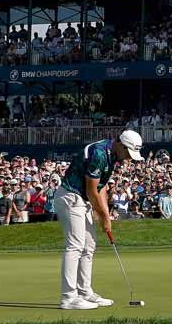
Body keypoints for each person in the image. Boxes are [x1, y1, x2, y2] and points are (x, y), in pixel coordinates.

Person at [56, 128, 143, 310]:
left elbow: (101, 188)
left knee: (89, 245)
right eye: (128, 153)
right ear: (120, 144)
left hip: (83, 199)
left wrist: (105, 214)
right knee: (75, 245)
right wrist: (103, 216)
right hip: (71, 197)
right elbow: (91, 190)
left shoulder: (112, 157)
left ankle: (85, 292)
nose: (128, 157)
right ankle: (69, 297)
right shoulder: (99, 154)